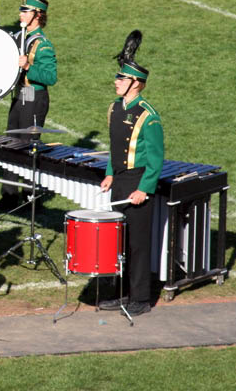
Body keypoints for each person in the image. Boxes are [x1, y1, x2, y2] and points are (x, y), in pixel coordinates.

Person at [99, 30, 164, 318]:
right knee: (118, 241)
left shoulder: (148, 116)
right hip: (120, 181)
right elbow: (114, 147)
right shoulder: (114, 108)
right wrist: (110, 173)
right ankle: (120, 292)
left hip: (138, 182)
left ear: (136, 84)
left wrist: (145, 189)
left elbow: (156, 159)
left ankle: (141, 297)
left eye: (121, 78)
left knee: (137, 243)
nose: (116, 82)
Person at [0, 0, 57, 209]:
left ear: (38, 15)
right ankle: (8, 195)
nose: (20, 13)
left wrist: (29, 66)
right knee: (11, 143)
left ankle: (32, 198)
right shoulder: (20, 36)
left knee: (29, 146)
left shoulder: (43, 45)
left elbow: (51, 77)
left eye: (25, 10)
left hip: (34, 97)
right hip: (20, 95)